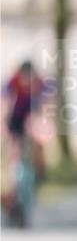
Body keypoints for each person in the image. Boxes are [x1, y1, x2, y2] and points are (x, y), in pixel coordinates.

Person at [1, 60, 48, 215]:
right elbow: (6, 104)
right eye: (24, 77)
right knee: (14, 153)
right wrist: (5, 125)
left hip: (31, 120)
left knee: (36, 147)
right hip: (15, 121)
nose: (27, 81)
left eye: (29, 77)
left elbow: (45, 103)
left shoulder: (39, 83)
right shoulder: (13, 83)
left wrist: (41, 123)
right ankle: (12, 192)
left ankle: (39, 172)